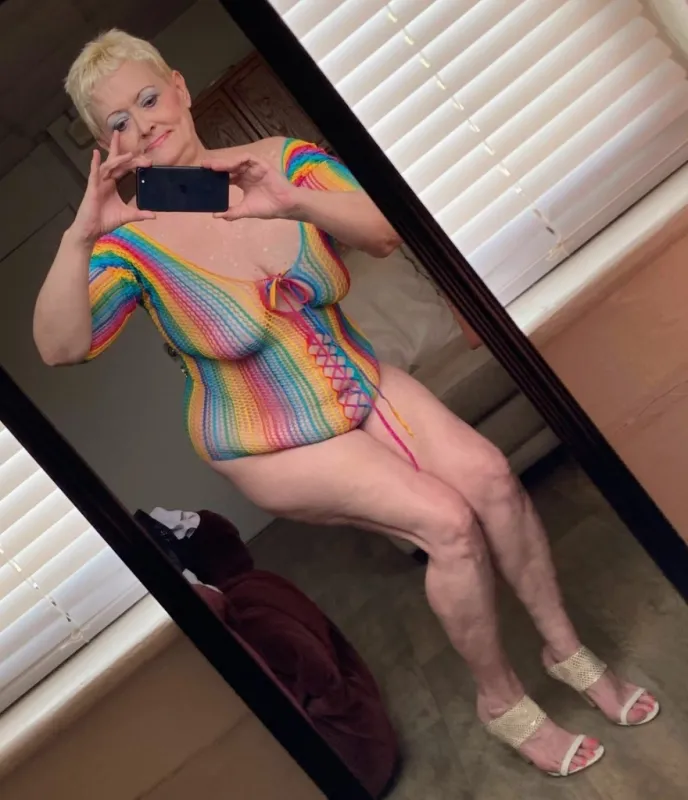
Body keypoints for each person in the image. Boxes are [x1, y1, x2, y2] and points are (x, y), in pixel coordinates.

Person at [34, 29, 659, 778]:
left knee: (492, 478)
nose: (142, 125)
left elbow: (385, 232)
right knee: (448, 523)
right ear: (105, 145)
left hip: (356, 380)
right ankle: (501, 703)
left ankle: (568, 651)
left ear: (178, 86)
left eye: (147, 98)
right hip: (267, 437)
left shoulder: (285, 160)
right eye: (118, 122)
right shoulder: (125, 244)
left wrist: (292, 200)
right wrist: (79, 238)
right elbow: (60, 347)